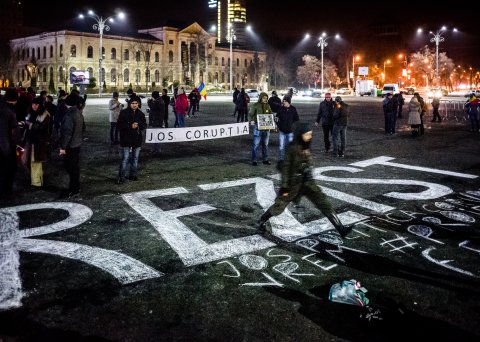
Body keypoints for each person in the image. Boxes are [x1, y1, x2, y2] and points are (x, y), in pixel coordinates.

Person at [256, 122, 352, 238]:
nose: (309, 136)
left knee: (323, 202)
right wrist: (285, 187)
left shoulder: (306, 145)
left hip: (308, 183)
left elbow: (307, 163)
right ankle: (261, 221)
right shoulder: (291, 148)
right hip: (293, 184)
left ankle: (341, 229)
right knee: (279, 207)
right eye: (307, 134)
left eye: (310, 134)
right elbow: (286, 168)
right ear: (300, 134)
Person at [58, 92, 85, 198]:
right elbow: (83, 129)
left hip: (70, 146)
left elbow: (67, 133)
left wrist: (63, 147)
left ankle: (74, 189)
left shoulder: (69, 114)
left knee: (70, 167)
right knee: (74, 167)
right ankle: (76, 187)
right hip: (77, 144)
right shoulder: (78, 112)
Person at [116, 96, 147, 183]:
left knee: (135, 158)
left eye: (136, 103)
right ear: (129, 104)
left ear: (139, 104)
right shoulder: (123, 113)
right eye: (132, 103)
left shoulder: (141, 114)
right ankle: (121, 177)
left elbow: (145, 125)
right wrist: (130, 126)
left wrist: (139, 126)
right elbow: (119, 125)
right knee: (125, 158)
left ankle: (132, 175)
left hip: (137, 139)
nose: (134, 105)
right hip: (126, 139)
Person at [26, 97, 51, 187]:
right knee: (33, 162)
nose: (34, 106)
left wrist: (29, 124)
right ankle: (37, 180)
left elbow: (39, 127)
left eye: (37, 104)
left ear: (41, 105)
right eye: (33, 104)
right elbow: (28, 121)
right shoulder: (31, 112)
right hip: (32, 140)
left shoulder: (45, 114)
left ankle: (36, 183)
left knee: (36, 162)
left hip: (40, 141)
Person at [0, 88, 20, 200]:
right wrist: (7, 149)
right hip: (6, 148)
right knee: (7, 170)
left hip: (5, 146)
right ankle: (6, 192)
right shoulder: (7, 111)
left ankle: (6, 191)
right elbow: (3, 132)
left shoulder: (4, 108)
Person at [248, 92, 273, 166]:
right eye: (264, 98)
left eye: (266, 98)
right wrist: (251, 120)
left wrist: (273, 120)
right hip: (257, 127)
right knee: (255, 144)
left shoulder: (268, 106)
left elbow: (270, 114)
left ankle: (265, 159)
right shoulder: (255, 105)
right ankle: (254, 160)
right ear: (261, 98)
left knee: (265, 145)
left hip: (266, 128)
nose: (265, 99)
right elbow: (250, 114)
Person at [275, 95, 299, 169]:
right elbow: (276, 118)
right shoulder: (280, 109)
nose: (283, 102)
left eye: (285, 101)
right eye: (283, 101)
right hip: (282, 131)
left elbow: (296, 119)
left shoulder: (293, 109)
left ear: (288, 102)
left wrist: (293, 127)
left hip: (290, 132)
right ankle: (282, 159)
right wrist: (279, 125)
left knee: (290, 147)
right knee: (281, 146)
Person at [147, 90, 165, 155]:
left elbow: (152, 106)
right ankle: (156, 149)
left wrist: (149, 101)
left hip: (157, 121)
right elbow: (154, 109)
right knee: (156, 136)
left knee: (156, 136)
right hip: (157, 121)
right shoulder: (159, 101)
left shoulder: (158, 102)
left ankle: (157, 150)